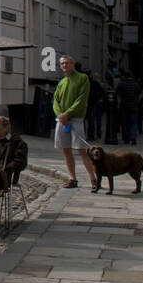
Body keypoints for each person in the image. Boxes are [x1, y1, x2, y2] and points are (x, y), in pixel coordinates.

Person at [52, 55, 96, 189]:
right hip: (62, 120)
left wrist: (67, 113)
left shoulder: (82, 78)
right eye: (62, 64)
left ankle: (94, 179)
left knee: (82, 150)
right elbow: (55, 101)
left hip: (75, 119)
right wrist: (60, 115)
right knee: (66, 150)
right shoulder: (62, 82)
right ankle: (73, 178)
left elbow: (81, 100)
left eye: (67, 63)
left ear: (73, 64)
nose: (65, 65)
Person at [115, 70, 143, 146]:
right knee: (133, 123)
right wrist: (137, 101)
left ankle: (126, 138)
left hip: (124, 106)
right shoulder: (136, 84)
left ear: (124, 76)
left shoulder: (121, 84)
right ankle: (133, 137)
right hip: (134, 106)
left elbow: (119, 97)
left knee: (125, 123)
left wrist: (118, 105)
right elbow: (141, 94)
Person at [87, 70, 105, 142]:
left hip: (91, 103)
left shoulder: (91, 83)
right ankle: (98, 134)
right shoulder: (96, 83)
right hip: (95, 102)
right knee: (97, 119)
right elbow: (102, 92)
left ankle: (92, 135)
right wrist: (99, 98)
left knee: (91, 120)